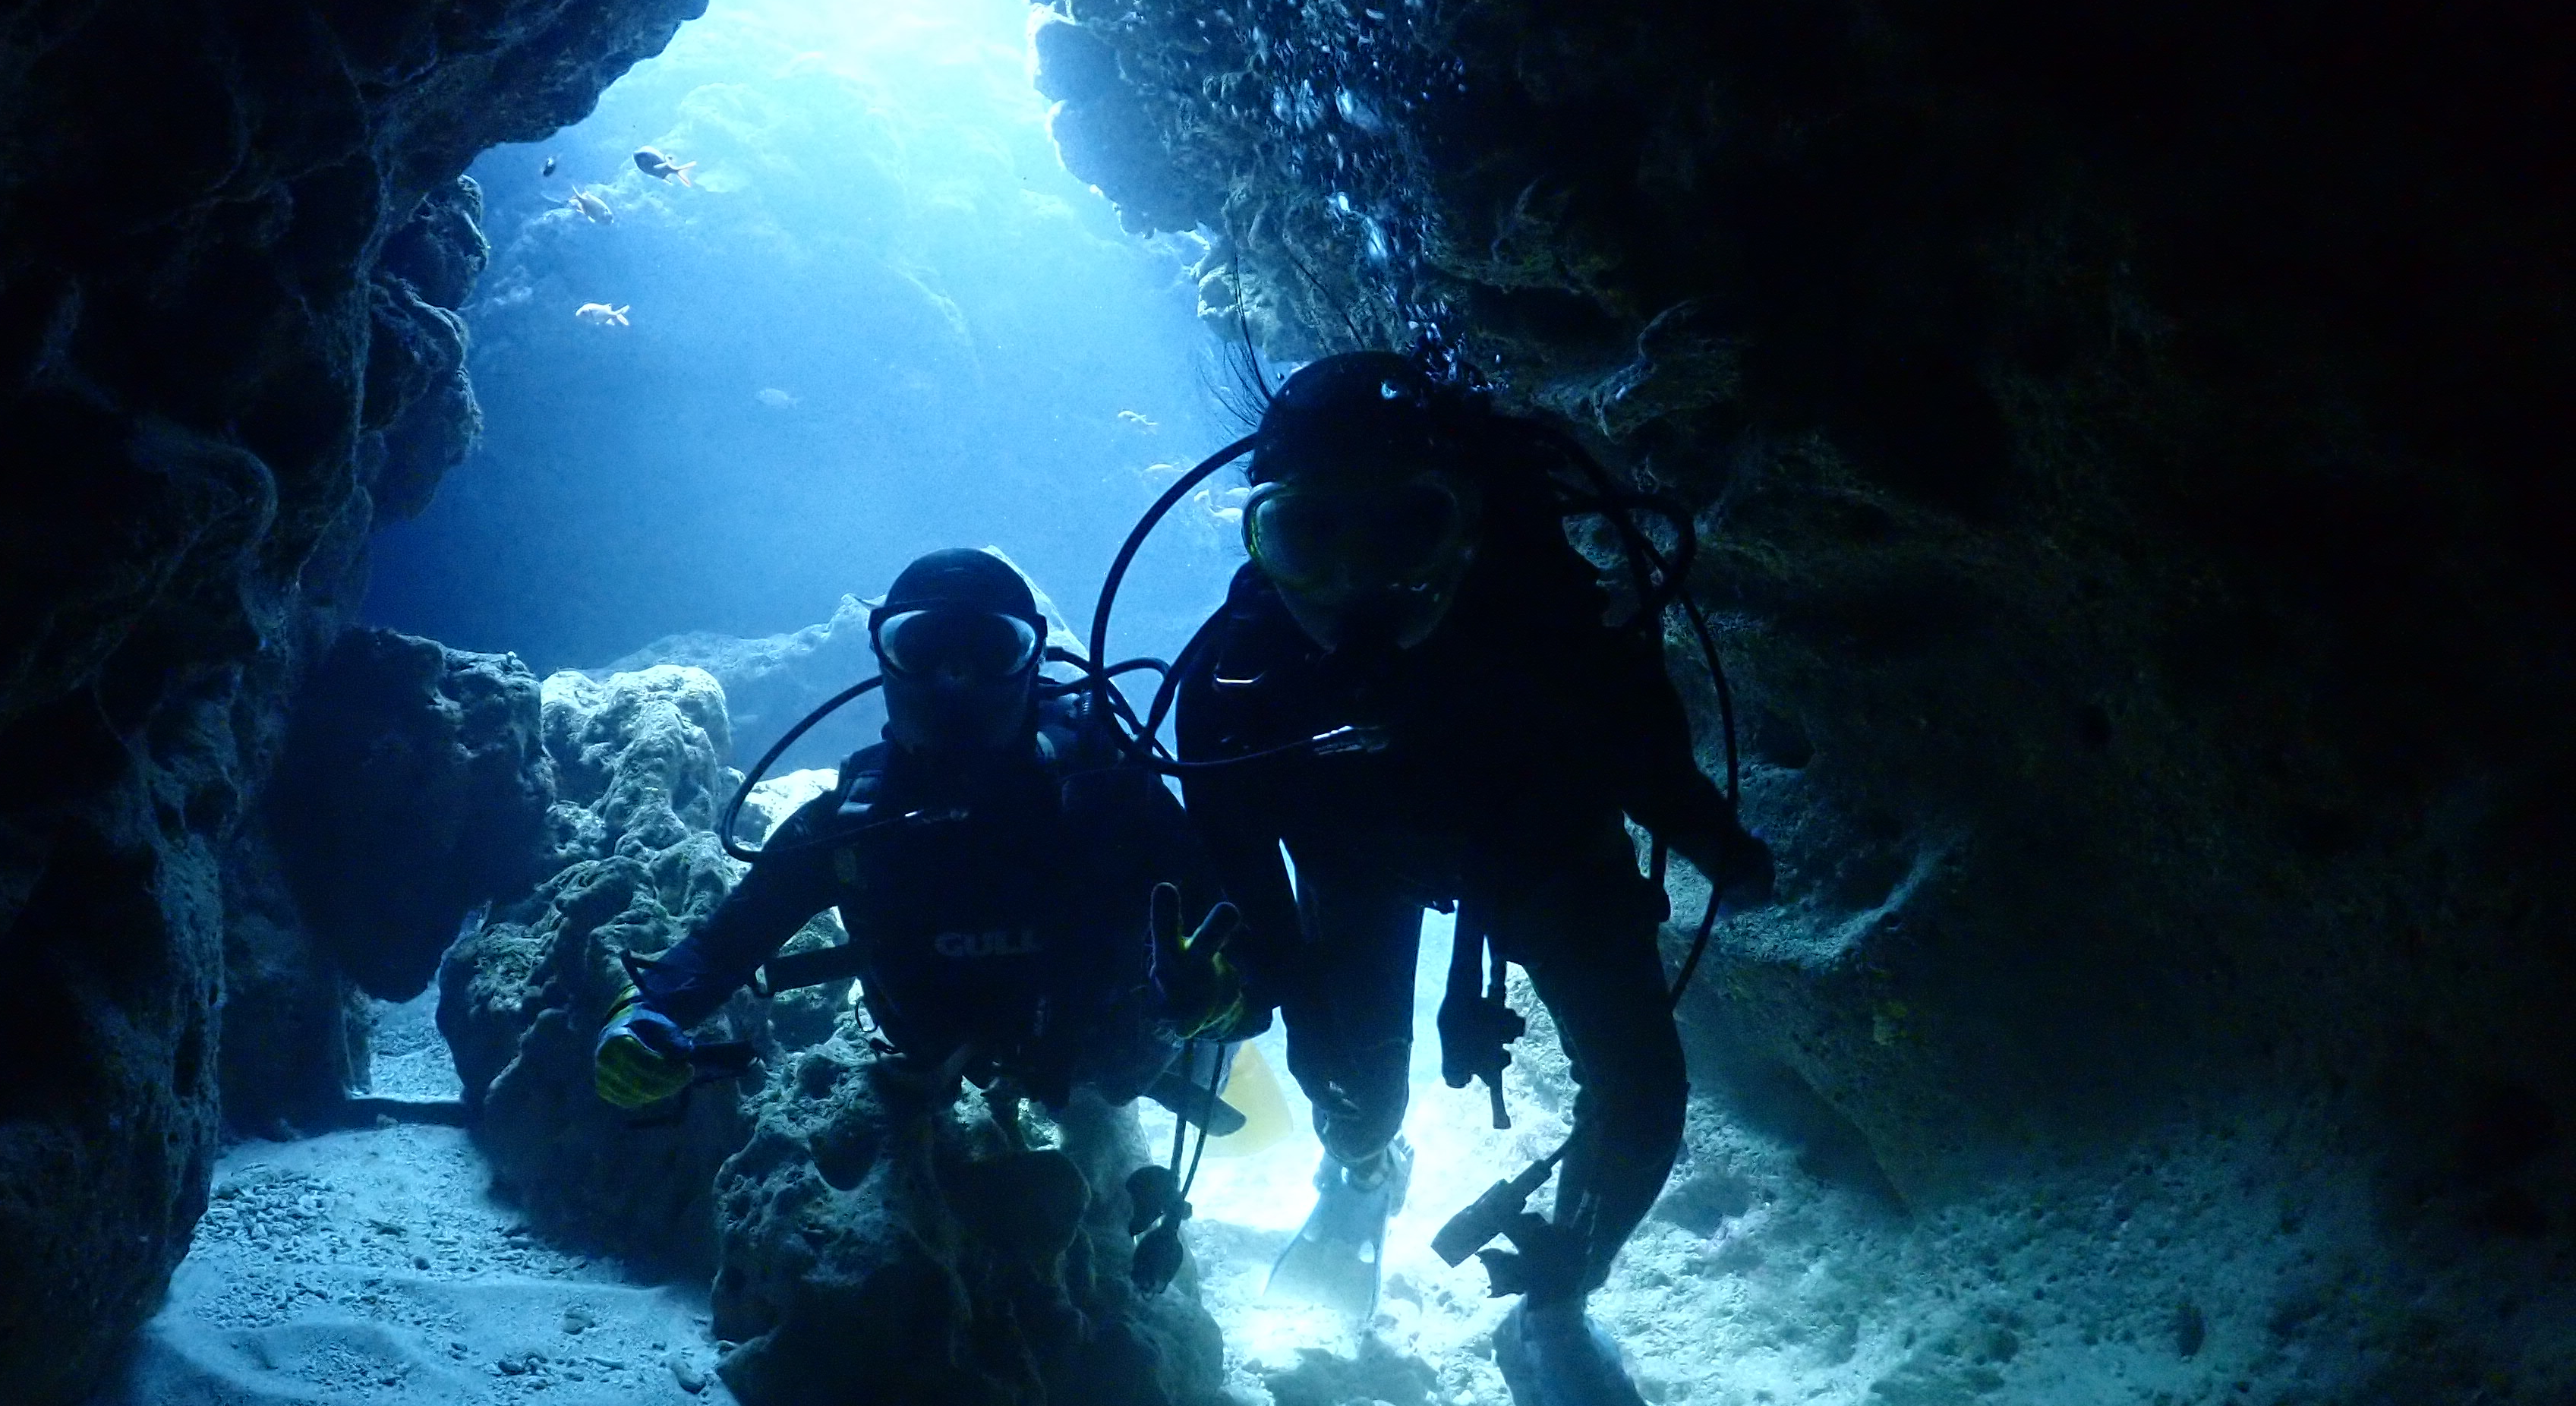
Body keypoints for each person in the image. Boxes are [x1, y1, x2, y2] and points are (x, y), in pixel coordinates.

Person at [1174, 353, 1776, 1317]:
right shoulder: (1234, 688)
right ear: (1261, 542)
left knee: (1638, 1089)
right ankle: (1363, 1169)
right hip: (1364, 859)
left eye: (1405, 528)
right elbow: (1244, 883)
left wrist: (1715, 843)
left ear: (1466, 528)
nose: (1358, 581)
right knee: (1347, 1093)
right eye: (1308, 536)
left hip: (1539, 841)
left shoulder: (1551, 630)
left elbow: (1644, 757)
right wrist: (1245, 993)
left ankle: (1561, 1285)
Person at [594, 549, 1258, 1185]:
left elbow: (1250, 962)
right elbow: (721, 947)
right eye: (921, 646)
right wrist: (641, 1016)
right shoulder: (854, 826)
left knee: (1117, 1083)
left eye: (989, 648)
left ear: (1033, 658)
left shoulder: (1113, 799)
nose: (955, 677)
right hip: (940, 1053)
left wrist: (1213, 999)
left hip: (1107, 1051)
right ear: (884, 657)